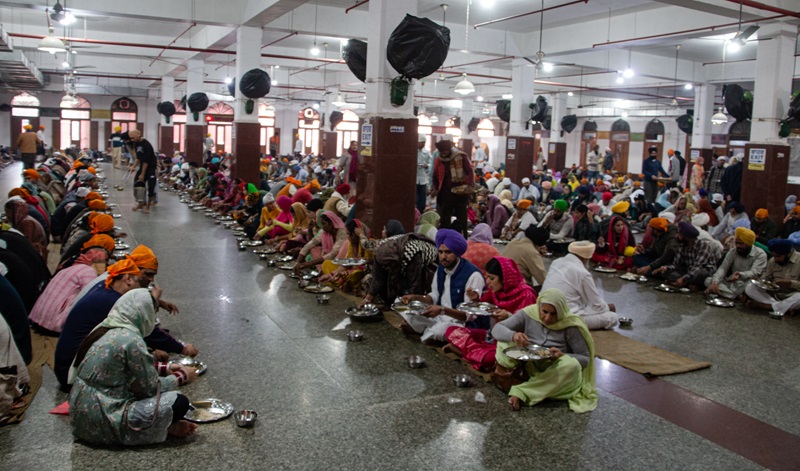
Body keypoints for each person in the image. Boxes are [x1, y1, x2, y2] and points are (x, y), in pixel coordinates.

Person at [69, 289, 198, 445]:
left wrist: (165, 368)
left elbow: (123, 366)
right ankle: (163, 428)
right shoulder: (132, 340)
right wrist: (182, 376)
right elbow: (151, 388)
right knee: (179, 402)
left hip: (81, 418)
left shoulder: (105, 328)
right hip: (105, 420)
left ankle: (166, 426)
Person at [491, 288, 597, 413]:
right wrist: (514, 336)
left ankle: (522, 392)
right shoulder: (529, 313)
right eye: (544, 312)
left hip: (554, 372)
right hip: (529, 365)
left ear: (562, 312)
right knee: (504, 341)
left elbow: (585, 358)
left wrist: (562, 356)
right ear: (539, 306)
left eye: (554, 314)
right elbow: (497, 329)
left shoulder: (571, 325)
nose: (547, 318)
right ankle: (528, 384)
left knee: (571, 365)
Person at [444, 257, 536, 372]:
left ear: (504, 279)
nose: (487, 282)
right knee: (451, 330)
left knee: (490, 358)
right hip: (492, 338)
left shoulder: (526, 295)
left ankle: (463, 351)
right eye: (487, 277)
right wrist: (475, 298)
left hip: (511, 343)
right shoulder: (497, 292)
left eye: (491, 278)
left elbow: (530, 327)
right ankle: (474, 355)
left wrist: (508, 316)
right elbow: (483, 304)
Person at [398, 229, 485, 343]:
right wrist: (415, 297)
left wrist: (443, 310)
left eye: (448, 252)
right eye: (440, 252)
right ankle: (426, 330)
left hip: (461, 323)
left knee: (440, 330)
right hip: (440, 316)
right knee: (401, 304)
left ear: (457, 253)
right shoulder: (441, 269)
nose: (443, 257)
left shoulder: (473, 275)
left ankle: (422, 330)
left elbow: (468, 316)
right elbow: (434, 296)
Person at [28, 248, 108, 333]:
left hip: (39, 319)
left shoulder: (74, 267)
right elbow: (90, 296)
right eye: (104, 261)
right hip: (53, 323)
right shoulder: (88, 272)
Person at [541, 241, 617, 329]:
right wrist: (607, 307)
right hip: (565, 318)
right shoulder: (583, 273)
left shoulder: (556, 262)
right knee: (612, 317)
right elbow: (597, 306)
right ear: (586, 258)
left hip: (543, 311)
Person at [651, 222, 718, 290]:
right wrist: (665, 268)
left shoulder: (703, 246)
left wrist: (683, 279)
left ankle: (685, 283)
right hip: (688, 271)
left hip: (701, 272)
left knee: (702, 273)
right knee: (665, 273)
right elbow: (676, 264)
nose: (676, 236)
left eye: (679, 234)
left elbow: (698, 266)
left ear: (687, 237)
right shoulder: (682, 245)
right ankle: (686, 284)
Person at [704, 228, 767, 300]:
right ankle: (730, 295)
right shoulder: (733, 251)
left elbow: (755, 272)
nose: (738, 246)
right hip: (732, 284)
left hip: (746, 284)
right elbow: (723, 268)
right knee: (708, 280)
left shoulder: (760, 254)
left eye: (741, 243)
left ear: (749, 243)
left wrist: (740, 275)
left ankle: (725, 293)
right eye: (737, 243)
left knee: (750, 287)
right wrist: (715, 283)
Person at [431, 135, 474, 235]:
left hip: (460, 193)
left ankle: (462, 238)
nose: (443, 154)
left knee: (462, 218)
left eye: (445, 152)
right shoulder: (438, 160)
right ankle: (444, 240)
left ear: (449, 150)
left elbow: (469, 171)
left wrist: (469, 185)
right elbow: (435, 176)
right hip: (444, 194)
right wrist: (435, 188)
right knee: (444, 220)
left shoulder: (461, 157)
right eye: (441, 153)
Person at [744, 239, 800, 314]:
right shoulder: (773, 260)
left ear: (788, 254)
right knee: (750, 287)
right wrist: (759, 281)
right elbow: (766, 278)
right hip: (774, 295)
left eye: (778, 256)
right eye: (774, 256)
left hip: (792, 294)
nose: (775, 259)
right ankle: (782, 307)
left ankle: (768, 306)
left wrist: (790, 283)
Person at [128, 129, 158, 213]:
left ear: (139, 135)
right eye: (131, 138)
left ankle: (148, 206)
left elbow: (146, 162)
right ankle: (140, 203)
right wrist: (133, 166)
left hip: (150, 168)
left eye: (133, 138)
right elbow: (138, 157)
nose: (132, 140)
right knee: (137, 185)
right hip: (142, 167)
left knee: (151, 187)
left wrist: (142, 174)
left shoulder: (146, 145)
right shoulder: (137, 144)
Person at [416, 135, 432, 213]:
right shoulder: (412, 152)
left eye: (424, 143)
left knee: (422, 199)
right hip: (414, 179)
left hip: (423, 180)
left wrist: (427, 166)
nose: (423, 144)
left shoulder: (426, 152)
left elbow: (431, 164)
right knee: (415, 199)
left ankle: (420, 213)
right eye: (421, 143)